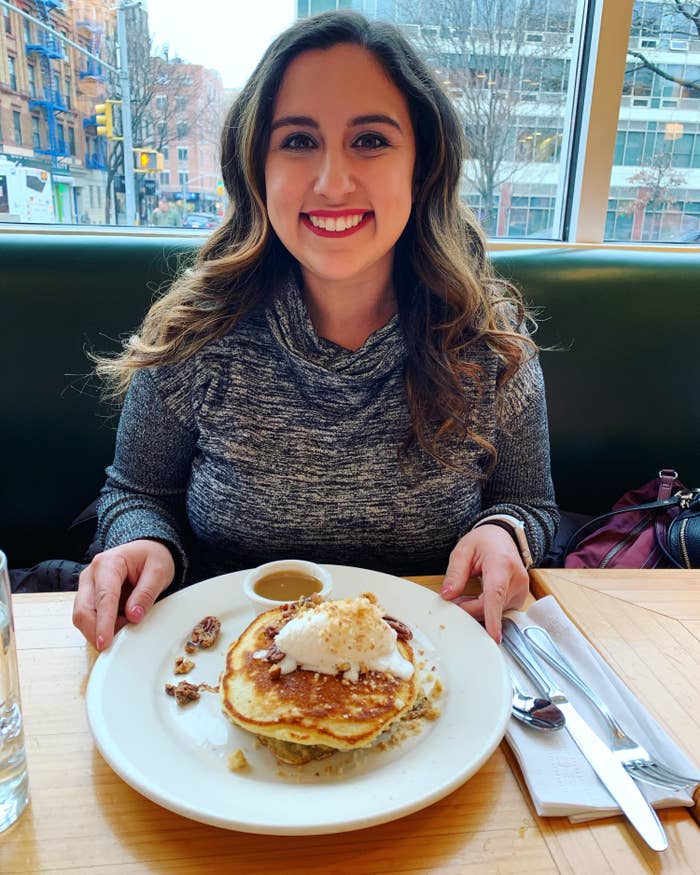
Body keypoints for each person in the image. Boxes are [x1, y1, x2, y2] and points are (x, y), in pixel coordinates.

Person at [72, 11, 559, 651]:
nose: (332, 182)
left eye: (371, 141)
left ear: (422, 164)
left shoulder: (488, 339)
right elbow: (136, 495)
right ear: (257, 167)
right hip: (220, 673)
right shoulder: (195, 334)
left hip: (434, 670)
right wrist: (142, 542)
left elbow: (533, 510)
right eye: (298, 141)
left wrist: (504, 534)